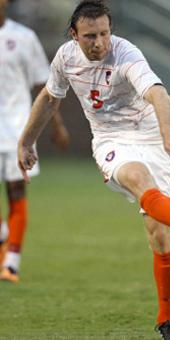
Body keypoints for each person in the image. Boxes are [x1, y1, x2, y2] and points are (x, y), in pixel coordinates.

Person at [17, 1, 170, 339]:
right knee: (137, 178)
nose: (100, 42)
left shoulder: (126, 54)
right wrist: (26, 141)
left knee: (159, 234)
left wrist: (169, 131)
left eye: (105, 34)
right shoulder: (65, 57)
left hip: (152, 135)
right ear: (74, 35)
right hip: (111, 139)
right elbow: (50, 98)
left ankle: (167, 321)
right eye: (91, 36)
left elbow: (158, 94)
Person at [0, 0, 70, 283]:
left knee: (16, 192)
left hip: (17, 129)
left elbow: (45, 85)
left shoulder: (24, 38)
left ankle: (11, 263)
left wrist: (56, 125)